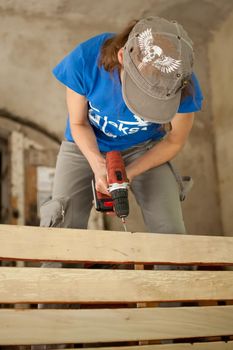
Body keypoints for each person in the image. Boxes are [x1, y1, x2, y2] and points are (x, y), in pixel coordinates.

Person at [40, 16, 203, 235]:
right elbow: (78, 123)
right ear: (121, 57)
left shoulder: (180, 82)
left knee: (170, 231)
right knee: (60, 230)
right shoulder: (86, 59)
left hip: (144, 148)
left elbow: (174, 141)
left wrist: (129, 173)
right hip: (84, 144)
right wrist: (98, 166)